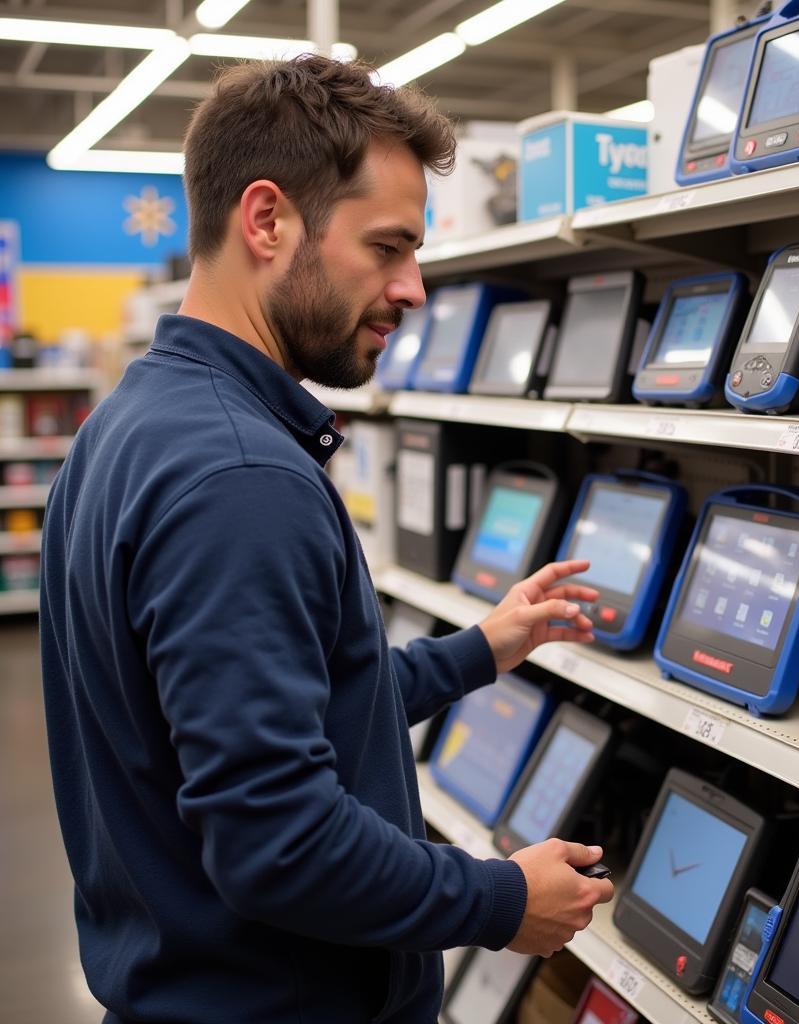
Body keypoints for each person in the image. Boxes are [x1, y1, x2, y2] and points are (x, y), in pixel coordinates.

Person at [39, 55, 613, 1024]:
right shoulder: (241, 477)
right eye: (386, 248)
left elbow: (277, 711)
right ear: (266, 220)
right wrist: (497, 899)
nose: (415, 289)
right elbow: (279, 839)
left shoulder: (136, 422)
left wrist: (478, 650)